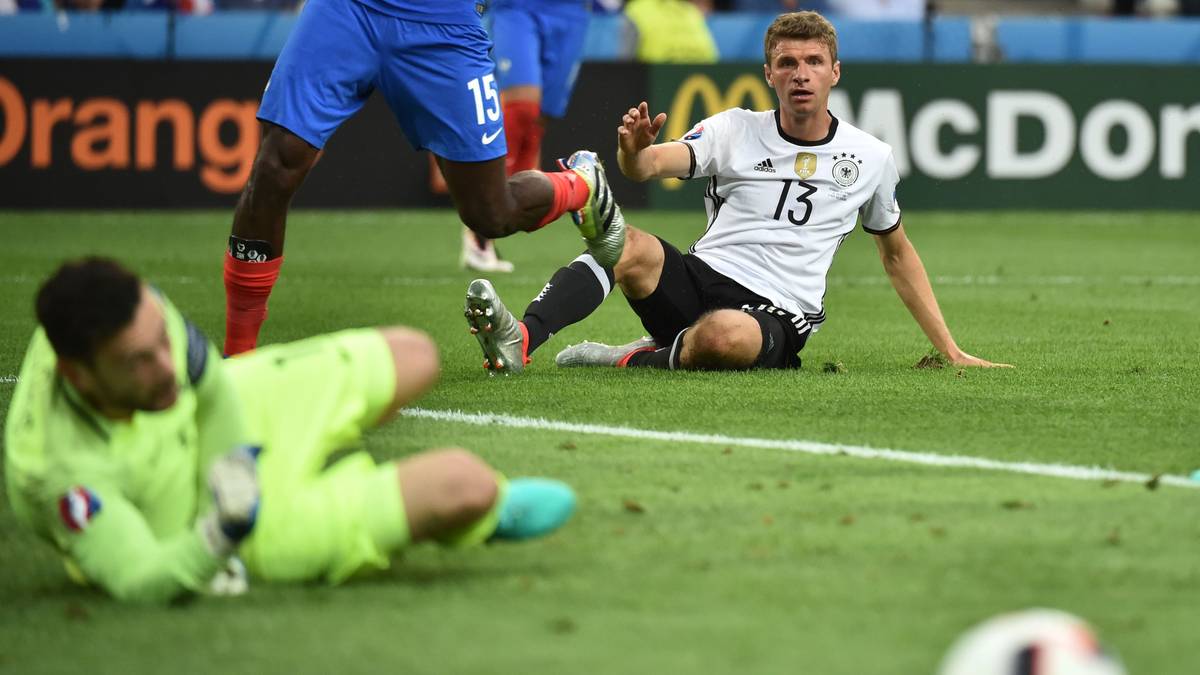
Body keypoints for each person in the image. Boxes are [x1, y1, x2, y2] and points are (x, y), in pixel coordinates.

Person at [463, 11, 1009, 374]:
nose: (801, 74)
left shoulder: (871, 158)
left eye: (814, 62)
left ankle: (630, 359)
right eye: (788, 63)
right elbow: (649, 166)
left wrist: (951, 350)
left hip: (777, 311)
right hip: (700, 278)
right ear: (769, 72)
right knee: (626, 245)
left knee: (724, 338)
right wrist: (632, 149)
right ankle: (522, 340)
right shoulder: (733, 129)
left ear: (834, 72)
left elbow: (896, 253)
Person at [5, 258, 576, 603]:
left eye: (163, 342)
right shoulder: (56, 473)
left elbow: (209, 386)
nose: (165, 364)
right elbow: (139, 579)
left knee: (417, 355)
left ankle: (330, 449)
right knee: (466, 487)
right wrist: (218, 533)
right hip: (213, 524)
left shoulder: (136, 313)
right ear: (78, 375)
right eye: (139, 361)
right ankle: (483, 518)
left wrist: (232, 462)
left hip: (233, 411)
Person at [223, 0, 625, 356]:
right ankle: (238, 357)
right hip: (347, 10)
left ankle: (580, 184)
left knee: (491, 213)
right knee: (277, 165)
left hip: (444, 23)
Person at [458, 0, 594, 273]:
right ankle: (482, 220)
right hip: (516, 6)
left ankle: (501, 215)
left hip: (572, 11)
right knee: (521, 107)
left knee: (539, 118)